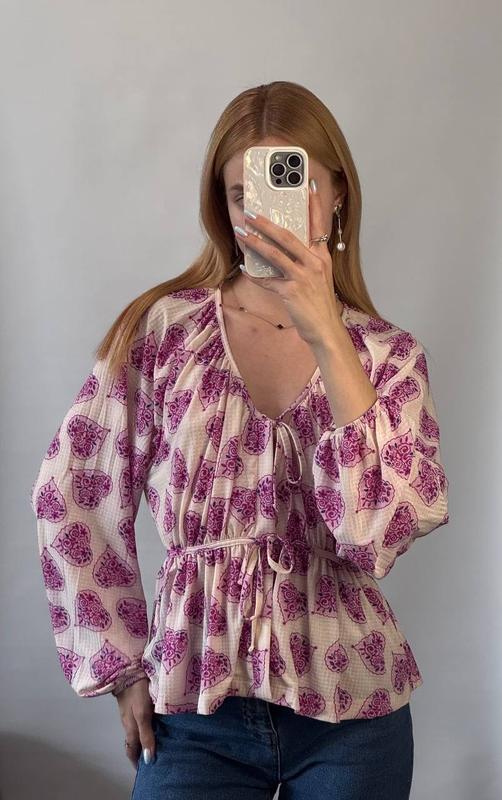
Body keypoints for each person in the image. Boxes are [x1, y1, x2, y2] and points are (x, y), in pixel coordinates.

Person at [30, 80, 449, 799]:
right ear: (220, 208)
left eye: (290, 184)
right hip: (194, 712)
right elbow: (71, 493)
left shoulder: (388, 358)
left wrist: (326, 332)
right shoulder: (165, 333)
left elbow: (375, 536)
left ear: (337, 194)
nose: (264, 212)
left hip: (354, 715)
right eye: (239, 194)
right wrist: (121, 670)